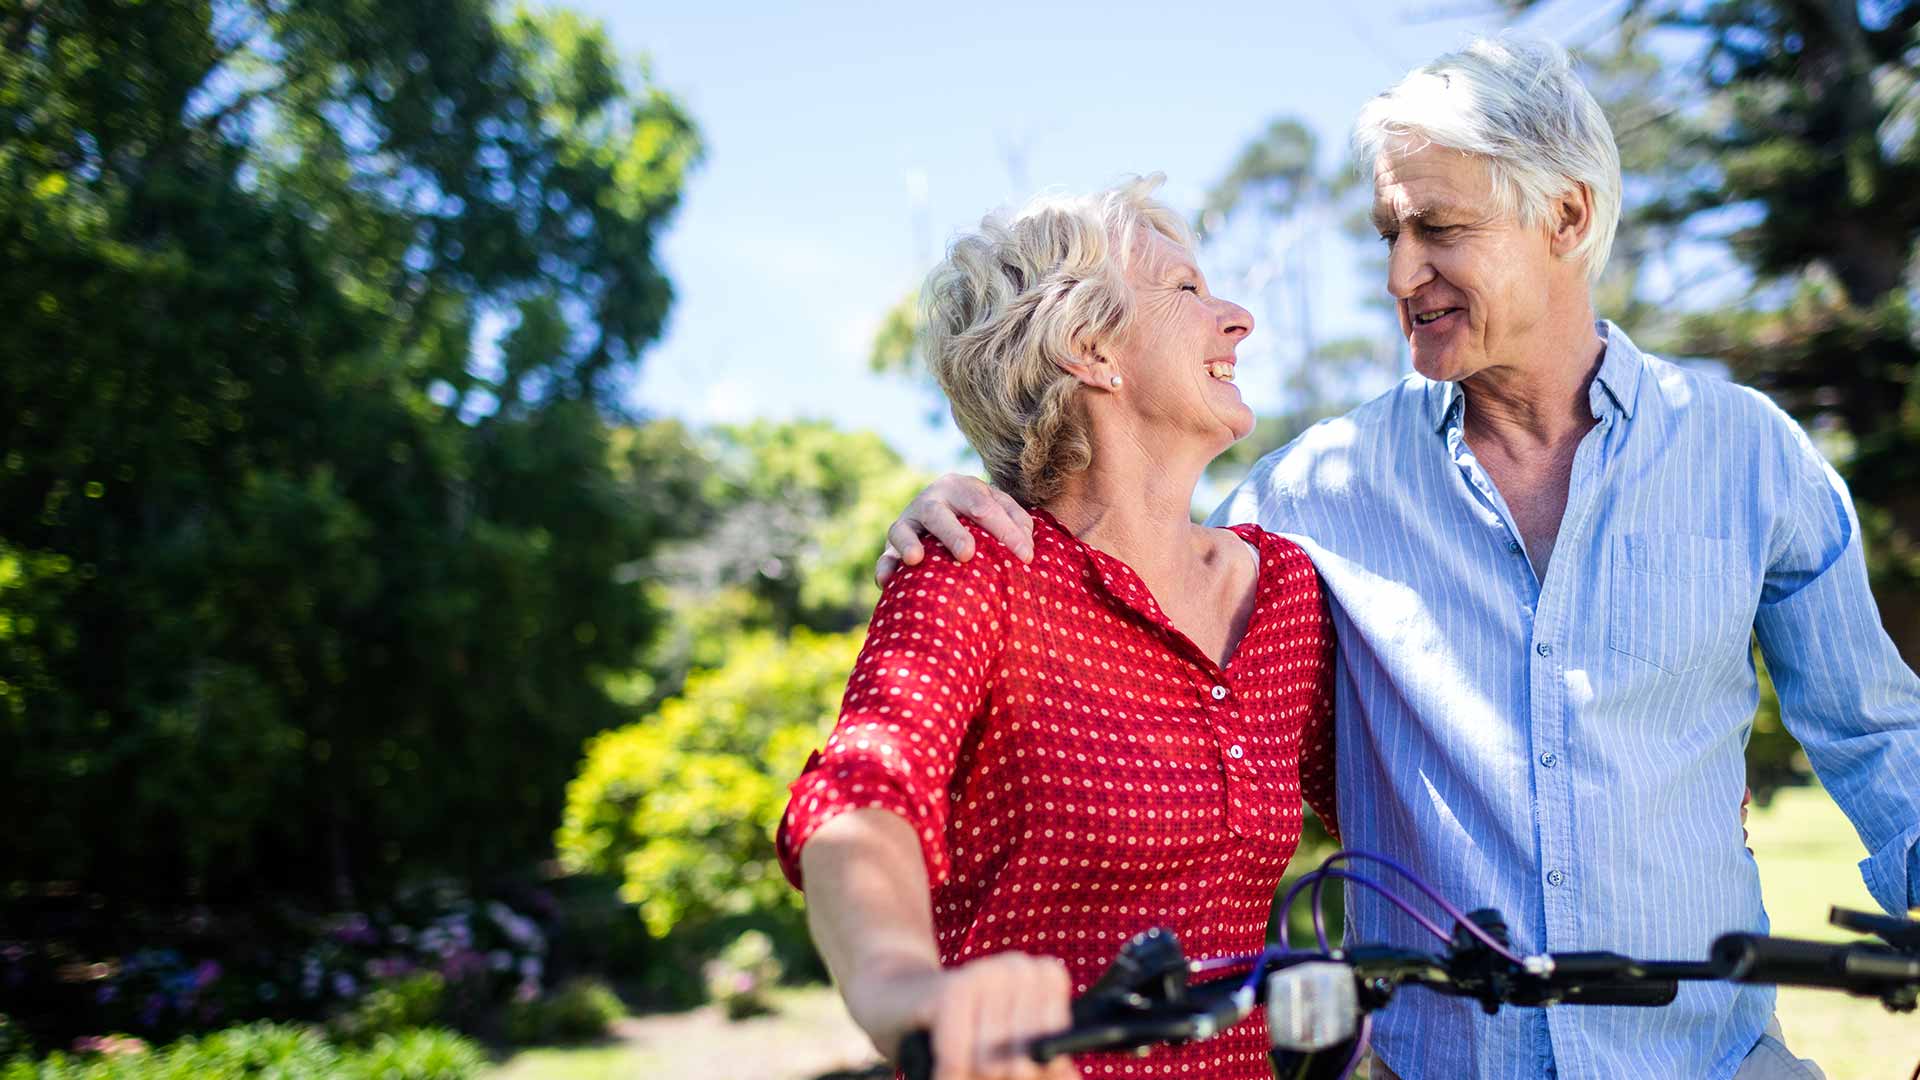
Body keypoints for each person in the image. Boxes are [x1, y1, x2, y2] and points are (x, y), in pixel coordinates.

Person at [874, 35, 1920, 1080]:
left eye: (1439, 228)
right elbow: (1116, 549)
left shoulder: (1748, 455)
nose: (1399, 273)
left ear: (1568, 217)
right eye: (1387, 231)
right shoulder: (1309, 496)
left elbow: (1878, 738)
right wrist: (981, 494)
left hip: (1713, 1057)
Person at [775, 178, 1338, 1080]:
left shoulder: (1286, 594)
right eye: (1187, 290)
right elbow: (862, 792)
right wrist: (900, 988)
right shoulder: (978, 571)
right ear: (1089, 349)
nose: (1238, 319)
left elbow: (1394, 812)